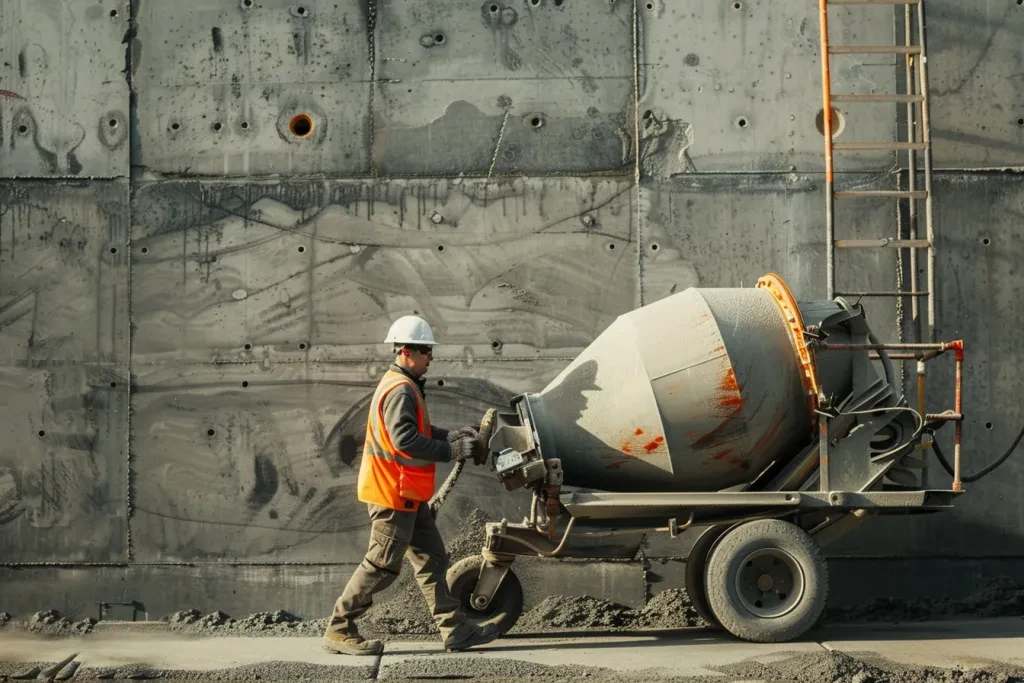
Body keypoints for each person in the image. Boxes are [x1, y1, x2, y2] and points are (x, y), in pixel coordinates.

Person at [322, 315, 497, 656]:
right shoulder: (401, 389)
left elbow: (415, 430)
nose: (430, 356)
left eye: (430, 350)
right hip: (392, 494)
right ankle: (339, 628)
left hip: (408, 495)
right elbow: (404, 440)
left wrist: (450, 435)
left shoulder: (404, 384)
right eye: (425, 350)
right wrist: (451, 450)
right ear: (405, 351)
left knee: (433, 558)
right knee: (382, 565)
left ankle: (455, 631)